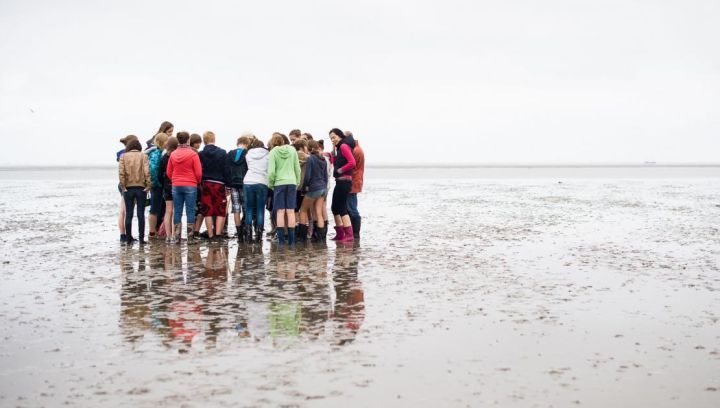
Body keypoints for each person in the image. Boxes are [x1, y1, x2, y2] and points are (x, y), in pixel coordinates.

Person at [167, 131, 203, 243]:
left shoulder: (173, 154)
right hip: (190, 185)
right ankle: (190, 237)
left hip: (176, 185)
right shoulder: (193, 154)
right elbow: (198, 172)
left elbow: (169, 172)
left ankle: (177, 237)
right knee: (190, 211)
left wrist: (174, 179)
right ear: (188, 140)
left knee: (177, 211)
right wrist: (196, 182)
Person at [267, 133, 301, 245]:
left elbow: (271, 172)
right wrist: (297, 182)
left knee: (280, 212)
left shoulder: (273, 152)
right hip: (291, 182)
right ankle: (292, 242)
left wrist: (271, 185)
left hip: (279, 183)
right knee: (291, 211)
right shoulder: (292, 150)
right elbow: (297, 169)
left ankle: (281, 242)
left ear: (273, 143)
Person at [198, 131, 231, 242]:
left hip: (206, 183)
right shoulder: (222, 153)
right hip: (219, 184)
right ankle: (218, 234)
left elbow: (199, 169)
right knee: (220, 210)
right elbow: (226, 170)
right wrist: (228, 185)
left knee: (208, 210)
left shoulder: (201, 154)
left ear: (204, 140)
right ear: (214, 139)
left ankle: (211, 235)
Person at [118, 138, 151, 244]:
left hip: (128, 188)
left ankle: (128, 239)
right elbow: (147, 171)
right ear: (139, 147)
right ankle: (141, 239)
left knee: (129, 214)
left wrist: (123, 187)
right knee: (141, 214)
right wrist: (148, 185)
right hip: (141, 188)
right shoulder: (144, 156)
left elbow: (121, 173)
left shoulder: (123, 156)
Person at [328, 128, 356, 242]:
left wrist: (340, 170)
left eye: (334, 137)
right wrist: (333, 151)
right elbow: (335, 163)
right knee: (334, 208)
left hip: (345, 181)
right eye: (331, 138)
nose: (332, 140)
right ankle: (340, 234)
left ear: (340, 136)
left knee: (342, 208)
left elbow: (352, 162)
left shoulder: (344, 146)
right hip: (339, 181)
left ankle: (349, 235)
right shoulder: (339, 148)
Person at [298, 140, 329, 242]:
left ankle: (302, 238)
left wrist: (304, 188)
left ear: (309, 148)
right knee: (318, 212)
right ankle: (321, 239)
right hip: (323, 188)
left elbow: (307, 176)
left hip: (314, 188)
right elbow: (325, 176)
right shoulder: (323, 159)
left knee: (302, 210)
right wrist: (324, 190)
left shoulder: (311, 158)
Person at [243, 138, 270, 242]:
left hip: (248, 181)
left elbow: (249, 166)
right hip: (262, 182)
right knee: (260, 209)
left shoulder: (248, 154)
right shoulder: (268, 154)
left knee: (249, 209)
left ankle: (248, 236)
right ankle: (259, 236)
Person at [227, 135, 251, 242]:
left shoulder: (230, 154)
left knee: (236, 209)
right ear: (247, 144)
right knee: (246, 207)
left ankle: (239, 235)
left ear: (238, 143)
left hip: (233, 185)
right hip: (244, 184)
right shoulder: (247, 154)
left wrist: (227, 184)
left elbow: (226, 170)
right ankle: (246, 230)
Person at [117, 135, 139, 242]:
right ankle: (125, 235)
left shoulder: (121, 154)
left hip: (122, 184)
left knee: (123, 211)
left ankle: (123, 235)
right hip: (131, 184)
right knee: (127, 211)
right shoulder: (130, 154)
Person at [147, 133, 168, 239]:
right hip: (156, 185)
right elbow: (153, 170)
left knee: (157, 208)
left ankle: (155, 230)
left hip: (157, 185)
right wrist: (158, 183)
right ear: (162, 142)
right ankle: (152, 231)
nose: (167, 143)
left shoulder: (159, 152)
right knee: (154, 209)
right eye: (166, 141)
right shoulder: (156, 153)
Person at [159, 136, 179, 243]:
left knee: (168, 211)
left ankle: (168, 236)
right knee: (176, 211)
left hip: (167, 186)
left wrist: (164, 184)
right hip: (176, 185)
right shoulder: (177, 157)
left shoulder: (163, 159)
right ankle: (175, 235)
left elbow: (159, 175)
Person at [345, 131, 365, 238]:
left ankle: (356, 234)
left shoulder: (355, 150)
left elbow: (351, 166)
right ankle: (354, 233)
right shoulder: (357, 148)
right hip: (356, 180)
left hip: (353, 181)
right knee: (351, 207)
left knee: (352, 208)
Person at [293, 139, 309, 240]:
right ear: (303, 147)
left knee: (295, 209)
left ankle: (296, 232)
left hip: (295, 186)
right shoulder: (308, 157)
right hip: (305, 186)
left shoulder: (293, 156)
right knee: (304, 210)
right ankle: (304, 235)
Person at [189, 133, 204, 237]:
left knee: (192, 209)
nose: (198, 144)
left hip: (188, 183)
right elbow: (199, 171)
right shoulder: (196, 154)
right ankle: (196, 231)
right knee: (200, 209)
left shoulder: (187, 152)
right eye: (197, 142)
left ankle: (191, 231)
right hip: (196, 183)